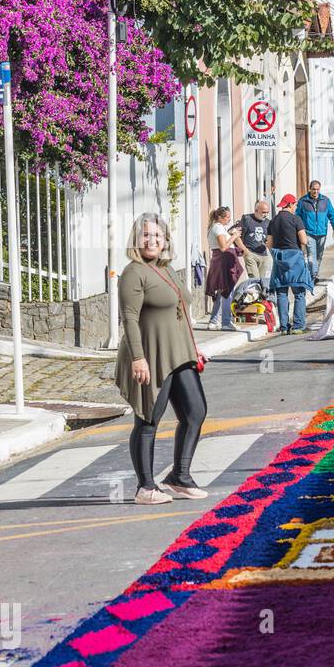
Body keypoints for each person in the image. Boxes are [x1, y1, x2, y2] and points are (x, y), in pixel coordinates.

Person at [116, 212, 210, 506]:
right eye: (146, 235)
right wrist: (138, 358)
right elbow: (129, 317)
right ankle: (145, 487)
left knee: (195, 411)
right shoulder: (134, 272)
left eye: (157, 235)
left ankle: (179, 476)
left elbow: (180, 311)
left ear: (165, 240)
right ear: (136, 239)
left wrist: (193, 347)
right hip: (150, 354)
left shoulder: (168, 269)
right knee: (147, 420)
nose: (152, 240)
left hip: (179, 353)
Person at [266, 194, 312, 334]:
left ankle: (284, 327)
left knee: (281, 293)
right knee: (299, 293)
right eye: (295, 205)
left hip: (279, 259)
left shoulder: (273, 221)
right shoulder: (296, 219)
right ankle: (298, 326)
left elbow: (269, 243)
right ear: (291, 204)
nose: (295, 207)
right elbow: (303, 240)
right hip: (295, 258)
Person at [204, 207, 243, 330]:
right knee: (227, 291)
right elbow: (223, 247)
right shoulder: (218, 228)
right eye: (227, 217)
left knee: (221, 291)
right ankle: (226, 322)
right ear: (219, 217)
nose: (229, 219)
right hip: (223, 260)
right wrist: (234, 235)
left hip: (219, 260)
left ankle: (214, 320)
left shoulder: (214, 227)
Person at [294, 180, 334, 283]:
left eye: (318, 189)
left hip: (322, 233)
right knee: (311, 255)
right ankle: (312, 276)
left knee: (319, 255)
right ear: (310, 189)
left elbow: (331, 215)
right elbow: (297, 216)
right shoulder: (303, 201)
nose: (316, 191)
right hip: (308, 233)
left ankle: (315, 274)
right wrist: (298, 230)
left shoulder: (325, 201)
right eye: (314, 189)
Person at [238, 200, 272, 294]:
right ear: (256, 210)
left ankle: (262, 302)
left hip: (264, 254)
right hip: (251, 253)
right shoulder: (247, 219)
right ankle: (255, 302)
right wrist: (245, 250)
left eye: (267, 212)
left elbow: (270, 238)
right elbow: (236, 234)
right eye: (263, 212)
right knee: (255, 280)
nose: (265, 215)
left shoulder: (268, 222)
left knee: (263, 282)